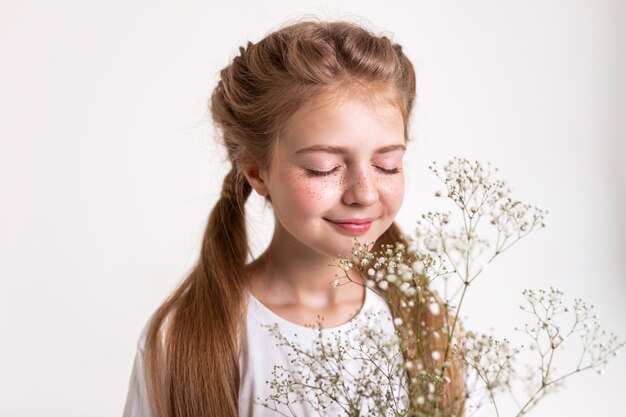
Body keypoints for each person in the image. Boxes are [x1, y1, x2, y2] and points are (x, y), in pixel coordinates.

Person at [122, 18, 467, 417]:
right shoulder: (188, 343)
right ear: (256, 171)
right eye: (323, 168)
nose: (365, 193)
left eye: (387, 165)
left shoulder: (428, 326)